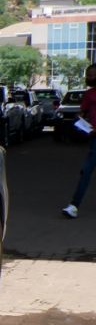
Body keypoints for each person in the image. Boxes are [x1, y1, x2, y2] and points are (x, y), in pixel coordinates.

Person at [62, 64, 96, 219]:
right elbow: (81, 114)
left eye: (90, 75)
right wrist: (80, 122)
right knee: (86, 171)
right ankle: (74, 206)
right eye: (87, 75)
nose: (88, 78)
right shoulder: (89, 94)